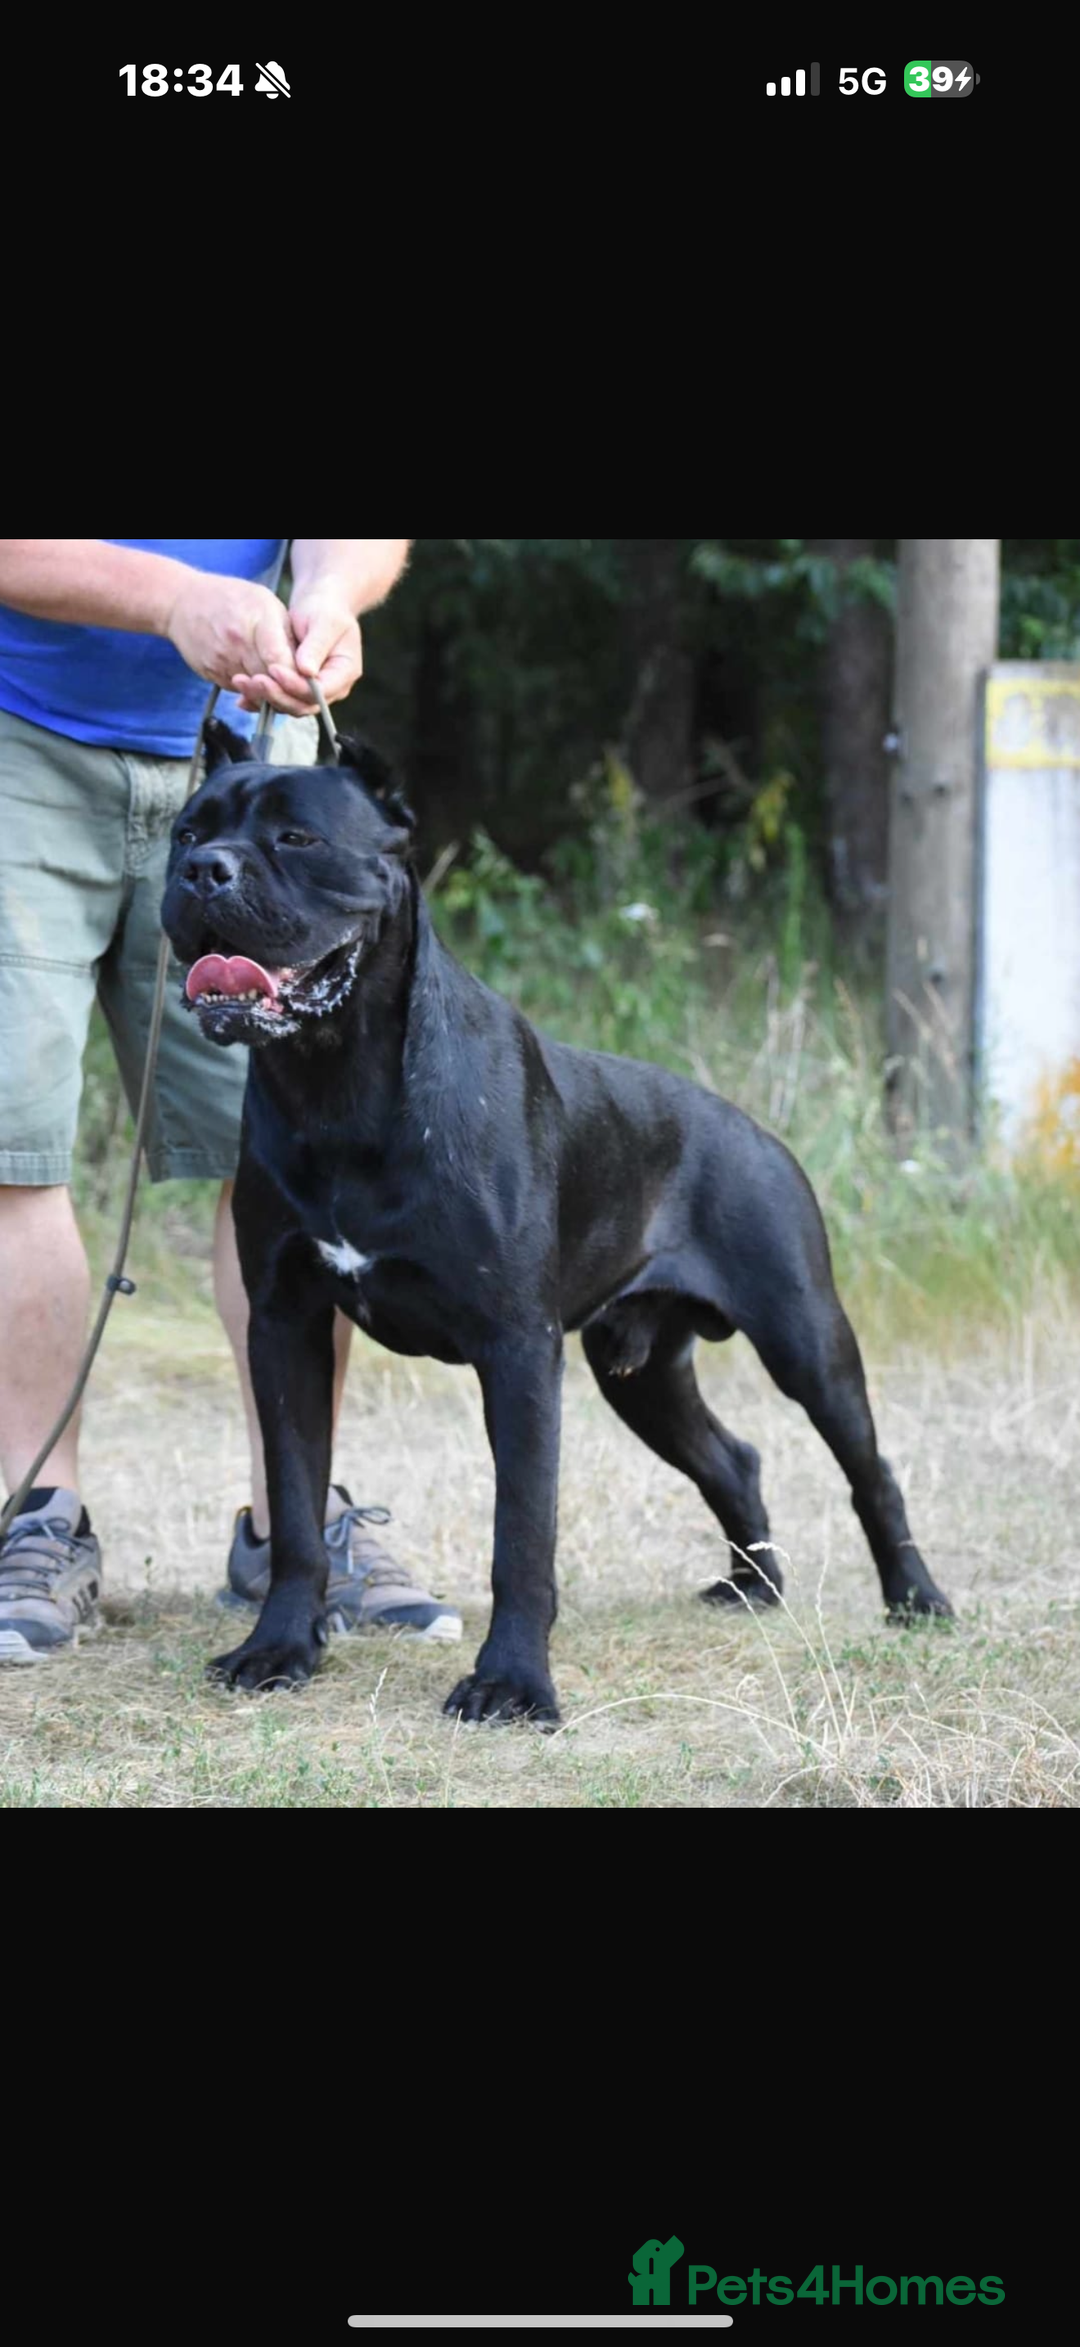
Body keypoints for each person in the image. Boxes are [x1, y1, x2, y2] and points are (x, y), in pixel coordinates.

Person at [0, 538, 462, 1663]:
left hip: (259, 757)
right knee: (11, 1148)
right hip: (19, 745)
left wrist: (330, 593)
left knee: (292, 1156)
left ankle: (290, 1525)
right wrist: (173, 598)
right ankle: (36, 1519)